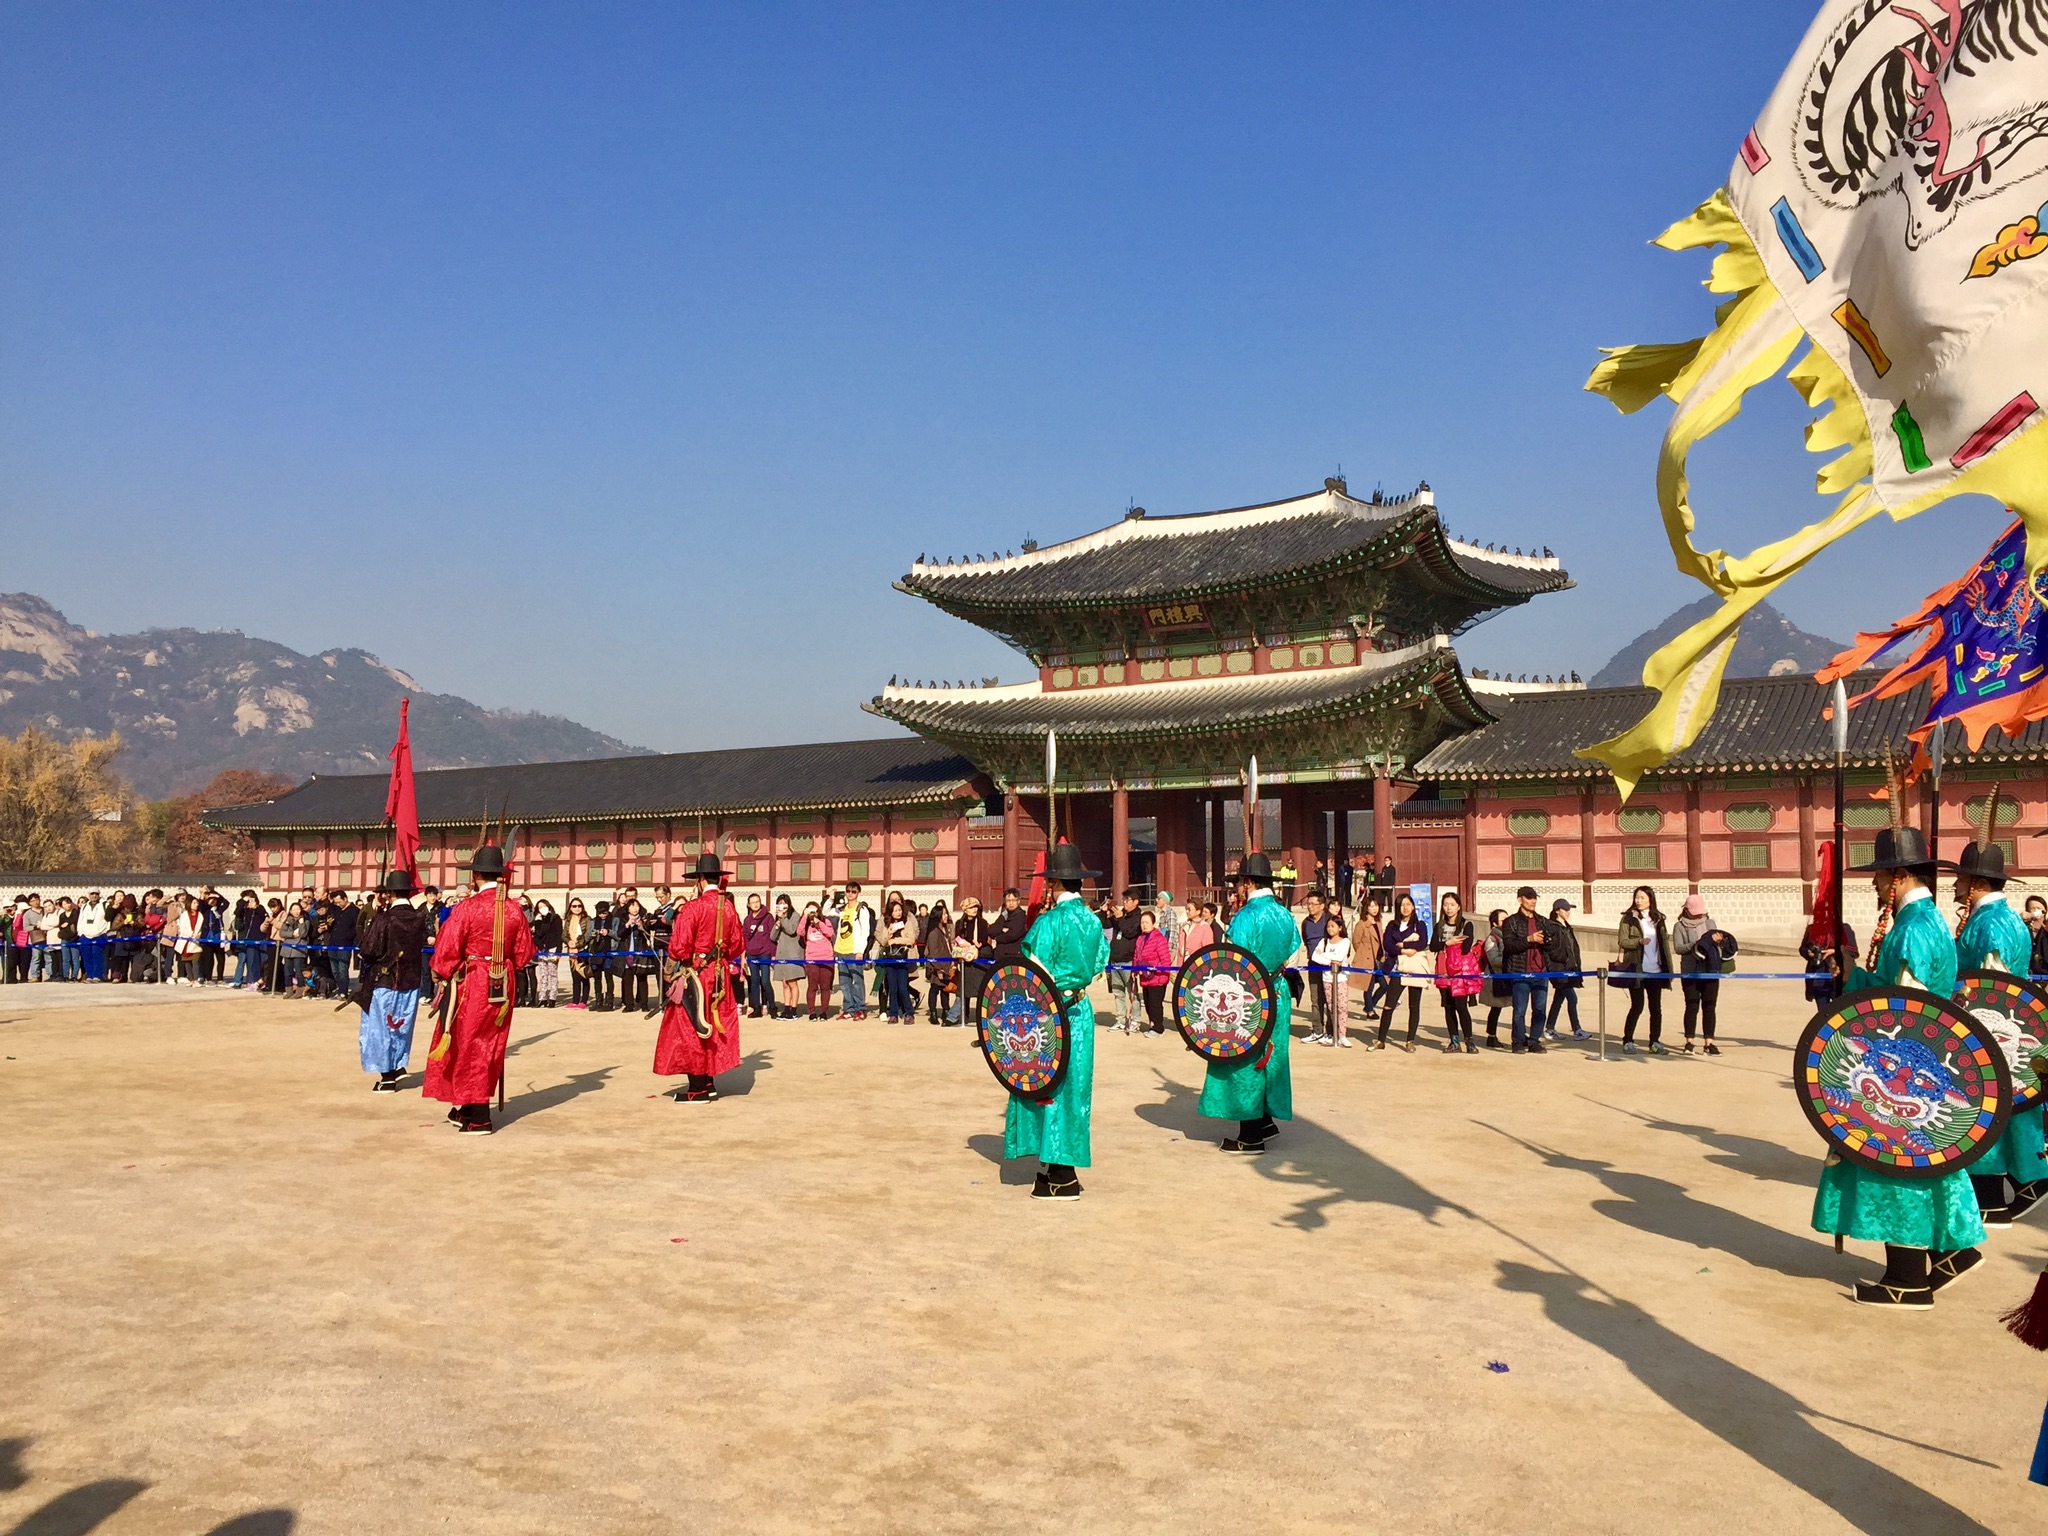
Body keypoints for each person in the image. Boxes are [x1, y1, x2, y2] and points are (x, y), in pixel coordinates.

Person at [1813, 825, 1984, 1308]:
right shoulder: (1932, 922)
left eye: (1880, 875)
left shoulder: (1909, 931)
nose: (1873, 884)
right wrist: (1858, 972)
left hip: (1903, 1067)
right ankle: (1954, 1250)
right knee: (1932, 1162)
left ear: (1899, 876)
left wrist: (1856, 990)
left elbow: (1903, 1010)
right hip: (1930, 1060)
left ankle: (1907, 1277)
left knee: (1898, 1164)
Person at [1003, 843, 1110, 1199]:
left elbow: (1032, 971)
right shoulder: (1094, 921)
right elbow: (1099, 965)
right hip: (1081, 1012)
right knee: (1075, 1089)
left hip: (1050, 1014)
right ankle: (1058, 1168)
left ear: (1053, 885)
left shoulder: (1047, 923)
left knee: (1044, 1086)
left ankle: (1061, 1173)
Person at [1952, 829, 2048, 1225]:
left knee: (1989, 1110)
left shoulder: (1990, 925)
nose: (1955, 886)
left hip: (1993, 1028)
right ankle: (2011, 1185)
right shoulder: (2002, 918)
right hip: (2003, 1027)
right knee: (2007, 1112)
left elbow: (1995, 988)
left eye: (1960, 879)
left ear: (1975, 884)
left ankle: (2022, 1182)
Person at [423, 843, 538, 1135]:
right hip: (503, 980)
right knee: (491, 1042)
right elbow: (525, 954)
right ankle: (468, 1107)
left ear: (475, 876)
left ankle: (480, 1116)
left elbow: (446, 951)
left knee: (469, 1042)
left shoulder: (467, 908)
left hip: (474, 979)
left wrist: (443, 971)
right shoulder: (513, 910)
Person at [1201, 853, 1299, 1153]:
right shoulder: (1284, 913)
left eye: (1241, 882)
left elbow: (1233, 961)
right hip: (1278, 991)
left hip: (1250, 996)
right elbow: (1293, 949)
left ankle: (1251, 1133)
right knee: (1273, 1057)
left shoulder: (1245, 916)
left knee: (1247, 1060)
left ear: (1247, 883)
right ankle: (1267, 1119)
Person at [654, 854, 746, 1102]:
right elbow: (737, 945)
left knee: (689, 1027)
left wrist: (669, 972)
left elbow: (679, 946)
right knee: (713, 1025)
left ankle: (698, 1088)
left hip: (696, 974)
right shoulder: (728, 907)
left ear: (701, 879)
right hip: (720, 975)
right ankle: (709, 1081)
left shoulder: (693, 907)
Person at [357, 870, 428, 1091]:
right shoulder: (419, 917)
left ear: (389, 893)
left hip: (385, 981)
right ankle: (398, 1064)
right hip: (411, 979)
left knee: (380, 1028)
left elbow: (368, 949)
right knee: (401, 1025)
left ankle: (387, 1075)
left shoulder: (385, 918)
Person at [1673, 895, 1737, 1055]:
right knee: (1691, 1005)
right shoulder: (1679, 926)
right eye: (1694, 912)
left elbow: (1719, 947)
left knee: (1709, 1006)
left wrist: (1718, 941)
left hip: (1710, 969)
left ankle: (1709, 1043)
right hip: (1690, 970)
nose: (1697, 915)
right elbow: (1678, 948)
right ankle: (1689, 1042)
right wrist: (1698, 944)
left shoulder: (1710, 923)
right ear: (1686, 909)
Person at [1498, 885, 1557, 1054]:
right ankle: (1518, 1040)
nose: (1533, 901)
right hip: (1520, 971)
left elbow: (1550, 946)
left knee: (1540, 1009)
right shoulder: (1511, 921)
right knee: (1520, 1010)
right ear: (1520, 899)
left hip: (1541, 971)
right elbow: (1509, 946)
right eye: (1529, 897)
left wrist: (1547, 940)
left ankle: (1534, 1040)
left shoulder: (1542, 920)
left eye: (1534, 898)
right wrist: (1529, 939)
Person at [1617, 886, 1672, 1055]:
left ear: (1650, 899)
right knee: (1637, 1006)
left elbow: (1665, 946)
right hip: (1637, 968)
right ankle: (1627, 1040)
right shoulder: (1628, 919)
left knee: (1656, 1008)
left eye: (1642, 897)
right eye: (1637, 897)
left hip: (1655, 969)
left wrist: (1668, 970)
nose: (1638, 900)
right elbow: (1622, 941)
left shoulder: (1658, 919)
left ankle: (1654, 1042)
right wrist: (1638, 942)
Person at [1377, 892, 1430, 1051]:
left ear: (1413, 906)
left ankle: (1410, 1040)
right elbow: (1388, 945)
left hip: (1414, 968)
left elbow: (1422, 943)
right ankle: (1381, 1040)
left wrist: (1403, 946)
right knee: (1389, 1005)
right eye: (1402, 905)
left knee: (1414, 1006)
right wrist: (1403, 951)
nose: (1405, 908)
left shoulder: (1419, 925)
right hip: (1396, 967)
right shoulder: (1392, 925)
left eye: (1408, 904)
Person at [1432, 892, 1481, 1054]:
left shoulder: (1467, 924)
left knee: (1461, 1006)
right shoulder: (1439, 925)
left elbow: (1467, 947)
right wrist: (1449, 942)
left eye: (1452, 904)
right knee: (1448, 1006)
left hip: (1460, 970)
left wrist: (1448, 945)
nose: (1448, 908)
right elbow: (1433, 946)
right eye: (1446, 904)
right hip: (1443, 968)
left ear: (1459, 906)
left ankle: (1469, 1040)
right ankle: (1454, 1041)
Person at [1544, 898, 1589, 1040]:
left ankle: (1550, 1028)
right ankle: (1577, 1029)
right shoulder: (1552, 927)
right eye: (1565, 909)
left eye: (1569, 909)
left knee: (1559, 999)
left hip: (1570, 969)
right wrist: (1564, 958)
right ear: (1557, 910)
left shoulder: (1567, 927)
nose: (1568, 912)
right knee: (1572, 999)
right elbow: (1550, 949)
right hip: (1560, 969)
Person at [1105, 889, 1144, 1033]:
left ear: (1135, 902)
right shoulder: (1122, 915)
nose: (1125, 903)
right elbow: (1106, 925)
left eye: (1128, 900)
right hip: (1115, 959)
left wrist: (1120, 918)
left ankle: (1135, 1020)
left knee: (1132, 993)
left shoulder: (1138, 917)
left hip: (1128, 961)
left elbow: (1130, 932)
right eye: (1124, 900)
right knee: (1117, 992)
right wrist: (1105, 912)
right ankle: (1121, 1020)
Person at [1314, 910, 1354, 1047]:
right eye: (1328, 926)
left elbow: (1340, 958)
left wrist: (1325, 956)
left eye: (1333, 926)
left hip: (1341, 978)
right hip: (1327, 978)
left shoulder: (1345, 941)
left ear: (1340, 928)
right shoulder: (1324, 941)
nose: (1330, 929)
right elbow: (1315, 957)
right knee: (1331, 1007)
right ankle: (1335, 1034)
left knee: (1342, 1006)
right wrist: (1329, 961)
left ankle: (1342, 1035)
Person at [835, 881, 874, 1020]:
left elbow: (866, 931)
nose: (850, 894)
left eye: (854, 891)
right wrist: (829, 897)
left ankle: (860, 1008)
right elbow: (826, 910)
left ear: (858, 893)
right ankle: (848, 1008)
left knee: (857, 981)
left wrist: (861, 950)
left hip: (854, 950)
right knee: (844, 982)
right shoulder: (842, 909)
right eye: (848, 891)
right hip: (841, 949)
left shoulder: (861, 909)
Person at [951, 896, 991, 1029]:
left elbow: (984, 939)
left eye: (976, 907)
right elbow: (957, 938)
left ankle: (982, 1016)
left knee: (981, 989)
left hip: (979, 959)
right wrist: (964, 944)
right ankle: (962, 1015)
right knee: (964, 989)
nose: (974, 910)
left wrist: (978, 944)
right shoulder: (960, 923)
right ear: (965, 910)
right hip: (965, 960)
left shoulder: (982, 922)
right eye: (971, 907)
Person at [878, 893, 917, 1024]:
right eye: (895, 910)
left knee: (902, 987)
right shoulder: (886, 924)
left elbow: (911, 939)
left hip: (902, 959)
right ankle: (893, 1013)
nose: (898, 912)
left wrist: (896, 940)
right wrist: (888, 934)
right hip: (890, 959)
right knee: (892, 988)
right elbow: (883, 942)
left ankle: (909, 1012)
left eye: (900, 910)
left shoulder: (907, 923)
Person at [1133, 907, 1173, 1034]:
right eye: (1142, 922)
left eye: (1147, 922)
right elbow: (1136, 955)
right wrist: (1135, 969)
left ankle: (1158, 1028)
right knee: (1149, 1004)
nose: (1144, 925)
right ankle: (1152, 1025)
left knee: (1155, 1005)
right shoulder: (1140, 939)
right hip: (1145, 977)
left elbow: (1165, 959)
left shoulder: (1159, 938)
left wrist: (1160, 973)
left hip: (1157, 978)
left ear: (1153, 923)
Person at [1299, 892, 1331, 1044]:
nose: (1310, 907)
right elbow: (1306, 941)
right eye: (1308, 904)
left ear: (1322, 906)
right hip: (1313, 966)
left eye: (1313, 904)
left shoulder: (1330, 920)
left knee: (1331, 1000)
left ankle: (1331, 1032)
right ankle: (1317, 1030)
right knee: (1316, 1000)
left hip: (1330, 967)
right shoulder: (1306, 922)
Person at [921, 898, 956, 1025]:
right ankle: (933, 1012)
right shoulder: (933, 932)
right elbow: (934, 951)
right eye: (944, 914)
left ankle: (946, 1010)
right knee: (935, 988)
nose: (946, 916)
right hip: (936, 965)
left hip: (946, 963)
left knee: (945, 990)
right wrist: (938, 968)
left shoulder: (945, 929)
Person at [800, 900, 836, 1017]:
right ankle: (812, 1011)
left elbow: (830, 934)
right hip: (812, 958)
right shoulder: (805, 924)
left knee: (825, 987)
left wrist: (819, 923)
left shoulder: (825, 921)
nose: (812, 913)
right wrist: (805, 917)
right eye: (810, 911)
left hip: (826, 958)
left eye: (814, 911)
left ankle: (824, 1011)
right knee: (812, 986)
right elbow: (799, 932)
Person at [742, 892, 775, 1019]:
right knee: (754, 982)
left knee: (765, 981)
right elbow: (744, 938)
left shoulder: (768, 917)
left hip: (764, 953)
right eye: (753, 902)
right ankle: (756, 1007)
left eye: (757, 901)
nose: (755, 904)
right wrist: (743, 956)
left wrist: (773, 954)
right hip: (752, 955)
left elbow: (772, 937)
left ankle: (772, 1006)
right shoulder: (747, 920)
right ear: (749, 905)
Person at [771, 894, 804, 1018]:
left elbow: (791, 930)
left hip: (792, 954)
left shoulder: (795, 916)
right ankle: (786, 1008)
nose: (782, 906)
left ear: (789, 904)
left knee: (792, 982)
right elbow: (772, 937)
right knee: (784, 983)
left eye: (784, 904)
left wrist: (783, 918)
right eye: (780, 904)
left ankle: (794, 1009)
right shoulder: (779, 918)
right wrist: (777, 925)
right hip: (781, 954)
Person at [529, 900, 563, 1008]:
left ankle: (552, 997)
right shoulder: (538, 920)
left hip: (552, 948)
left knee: (553, 973)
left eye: (544, 906)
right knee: (543, 974)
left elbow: (558, 935)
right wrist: (538, 922)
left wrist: (558, 951)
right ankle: (542, 997)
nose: (542, 908)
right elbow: (538, 934)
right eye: (540, 907)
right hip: (542, 949)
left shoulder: (555, 918)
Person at [563, 897, 593, 1008]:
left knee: (584, 976)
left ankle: (583, 1001)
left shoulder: (587, 919)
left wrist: (577, 944)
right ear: (570, 908)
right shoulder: (568, 919)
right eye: (574, 906)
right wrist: (569, 942)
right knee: (575, 977)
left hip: (583, 950)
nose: (577, 908)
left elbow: (587, 935)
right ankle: (575, 1000)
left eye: (579, 906)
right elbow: (564, 935)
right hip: (571, 952)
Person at [76, 890, 108, 981]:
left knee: (97, 955)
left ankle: (97, 975)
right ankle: (89, 975)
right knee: (87, 956)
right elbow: (80, 920)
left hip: (99, 934)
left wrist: (105, 931)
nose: (94, 896)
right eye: (92, 894)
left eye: (96, 894)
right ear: (89, 895)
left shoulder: (104, 905)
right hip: (85, 935)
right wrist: (80, 932)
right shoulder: (84, 906)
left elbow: (108, 920)